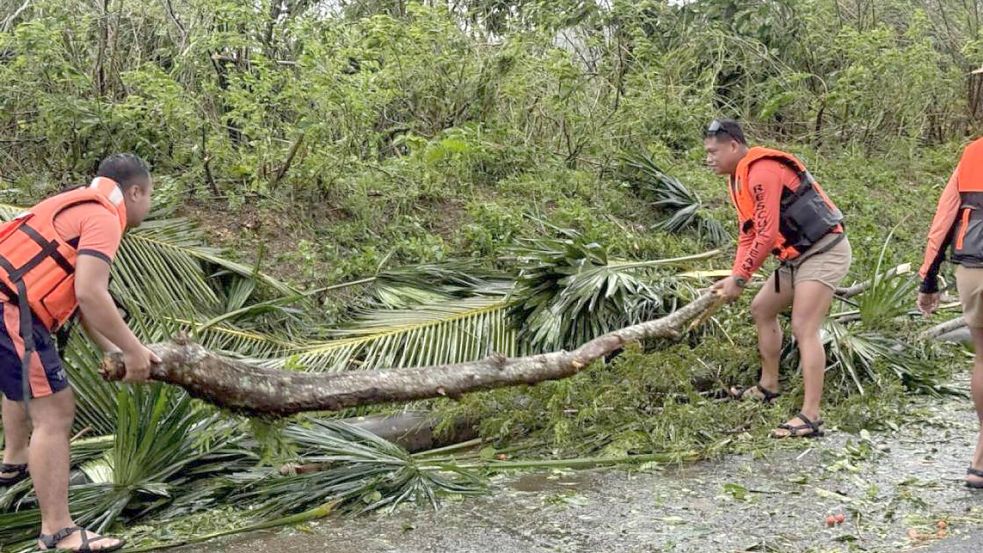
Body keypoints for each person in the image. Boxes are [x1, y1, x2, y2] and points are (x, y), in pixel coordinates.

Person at [0, 153, 159, 551]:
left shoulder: (76, 204)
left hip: (7, 305)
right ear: (135, 190)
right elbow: (91, 293)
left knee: (23, 385)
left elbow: (76, 297)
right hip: (10, 310)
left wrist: (119, 351)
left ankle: (15, 460)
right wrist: (137, 351)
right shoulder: (104, 217)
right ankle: (58, 531)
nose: (149, 205)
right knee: (55, 412)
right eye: (149, 195)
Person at [704, 119, 852, 438]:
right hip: (795, 257)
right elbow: (749, 235)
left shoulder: (762, 171)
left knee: (804, 326)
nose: (709, 158)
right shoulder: (737, 180)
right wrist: (735, 276)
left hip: (824, 251)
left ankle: (811, 416)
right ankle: (768, 386)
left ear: (733, 145)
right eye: (706, 152)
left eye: (714, 151)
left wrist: (741, 279)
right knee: (762, 308)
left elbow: (768, 233)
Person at [917, 137, 983, 488]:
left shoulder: (972, 154)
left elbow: (944, 219)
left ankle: (980, 460)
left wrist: (928, 279)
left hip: (972, 268)